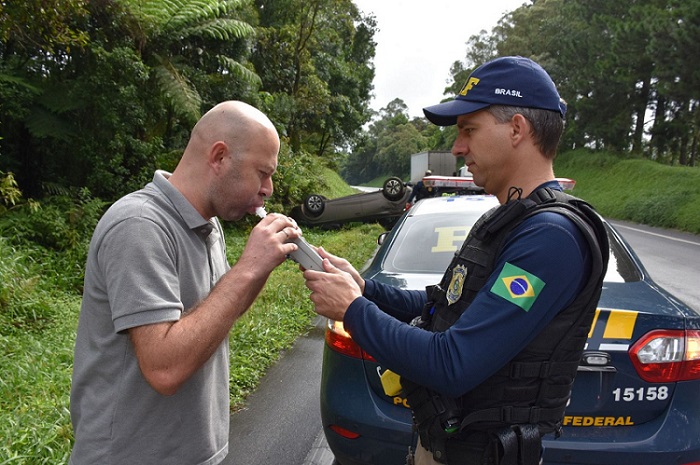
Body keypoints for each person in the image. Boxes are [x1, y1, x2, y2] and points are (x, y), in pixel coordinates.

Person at [304, 56, 609, 465]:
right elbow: (442, 304)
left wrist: (353, 310)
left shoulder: (550, 238)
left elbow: (453, 363)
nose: (457, 146)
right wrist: (364, 288)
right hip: (446, 443)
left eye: (469, 129)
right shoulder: (506, 220)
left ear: (517, 128)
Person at [69, 101, 303, 465]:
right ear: (220, 157)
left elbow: (219, 311)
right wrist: (246, 268)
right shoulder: (140, 226)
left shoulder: (209, 225)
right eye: (262, 173)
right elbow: (164, 369)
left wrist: (262, 266)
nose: (269, 189)